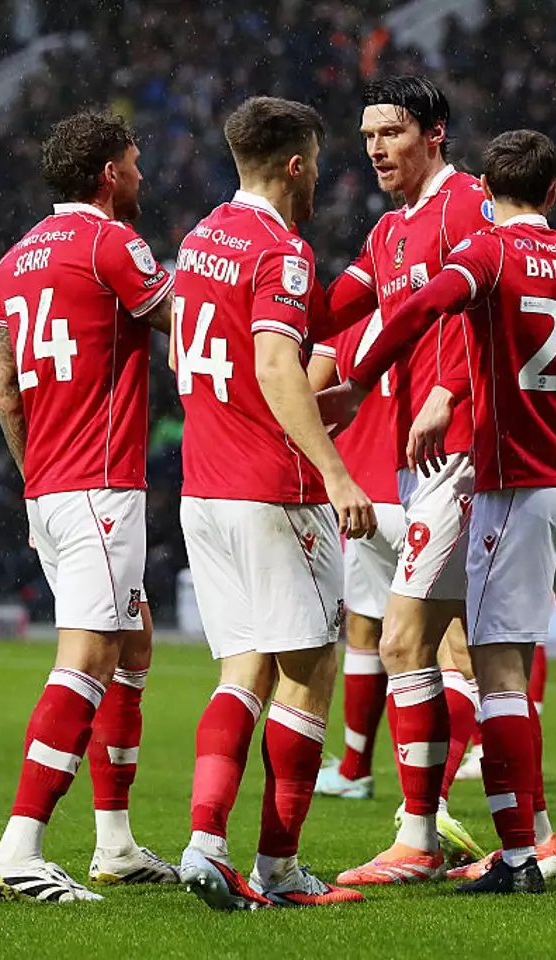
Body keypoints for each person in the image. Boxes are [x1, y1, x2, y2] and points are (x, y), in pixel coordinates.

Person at [329, 129, 556, 894]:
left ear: (486, 193)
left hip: (515, 486)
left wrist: (363, 380)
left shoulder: (488, 253)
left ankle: (518, 853)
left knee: (493, 668)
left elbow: (425, 306)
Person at [172, 96, 375, 911]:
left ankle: (203, 843)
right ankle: (280, 869)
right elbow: (273, 367)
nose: (321, 175)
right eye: (319, 162)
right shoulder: (280, 251)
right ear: (297, 164)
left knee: (243, 671)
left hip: (204, 488)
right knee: (310, 670)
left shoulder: (200, 239)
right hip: (272, 490)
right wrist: (334, 469)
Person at [0, 110, 179, 902]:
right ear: (107, 174)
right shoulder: (112, 244)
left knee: (131, 649)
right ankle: (20, 849)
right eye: (133, 164)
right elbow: (187, 322)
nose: (141, 177)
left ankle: (116, 845)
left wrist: (39, 480)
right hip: (97, 484)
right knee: (91, 660)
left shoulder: (11, 261)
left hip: (52, 487)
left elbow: (5, 391)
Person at [322, 75, 494, 883]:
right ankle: (508, 834)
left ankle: (419, 836)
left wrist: (448, 389)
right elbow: (336, 310)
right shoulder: (390, 233)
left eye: (389, 132)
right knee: (457, 647)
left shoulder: (467, 204)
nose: (376, 150)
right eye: (366, 138)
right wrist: (234, 310)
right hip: (419, 463)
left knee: (408, 640)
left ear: (434, 133)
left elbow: (484, 300)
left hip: (464, 451)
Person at [305, 311, 402, 802]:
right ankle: (444, 790)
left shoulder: (347, 321)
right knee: (451, 645)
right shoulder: (436, 308)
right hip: (426, 488)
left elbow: (307, 395)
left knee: (365, 630)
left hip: (364, 494)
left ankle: (356, 769)